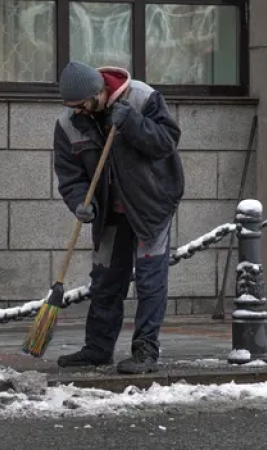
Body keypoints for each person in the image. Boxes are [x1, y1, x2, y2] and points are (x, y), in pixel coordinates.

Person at [52, 61, 184, 374]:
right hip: (109, 214)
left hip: (151, 206)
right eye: (73, 107)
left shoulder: (141, 97)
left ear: (98, 92)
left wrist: (133, 123)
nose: (80, 112)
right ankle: (98, 349)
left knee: (150, 280)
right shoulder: (68, 124)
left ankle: (145, 351)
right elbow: (70, 174)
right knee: (105, 280)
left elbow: (167, 142)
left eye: (84, 105)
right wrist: (79, 203)